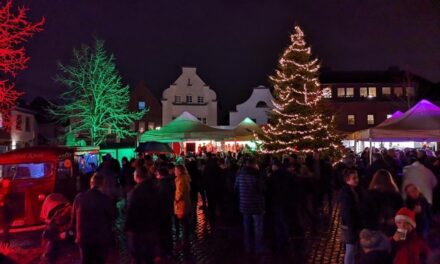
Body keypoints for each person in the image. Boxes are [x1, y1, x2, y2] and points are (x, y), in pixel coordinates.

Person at [71, 173, 116, 264]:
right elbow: (114, 215)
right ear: (102, 184)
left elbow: (73, 219)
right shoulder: (106, 199)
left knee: (86, 261)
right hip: (101, 238)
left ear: (90, 183)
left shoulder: (79, 198)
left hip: (84, 238)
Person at [125, 165, 160, 263]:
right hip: (152, 227)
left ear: (137, 176)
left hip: (140, 230)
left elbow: (131, 211)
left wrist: (128, 227)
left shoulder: (136, 192)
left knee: (139, 256)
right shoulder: (154, 187)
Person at [235, 158, 265, 255]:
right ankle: (258, 247)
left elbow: (235, 189)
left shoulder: (239, 176)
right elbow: (262, 189)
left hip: (244, 204)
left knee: (246, 227)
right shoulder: (256, 175)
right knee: (257, 227)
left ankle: (247, 247)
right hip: (256, 204)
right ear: (253, 165)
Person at [362, 169, 403, 236]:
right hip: (393, 229)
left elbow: (365, 214)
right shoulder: (395, 194)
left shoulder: (369, 195)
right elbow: (401, 210)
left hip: (375, 230)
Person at [339, 169, 362, 264]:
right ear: (347, 180)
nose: (357, 180)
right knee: (350, 249)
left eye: (357, 177)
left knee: (353, 249)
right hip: (350, 226)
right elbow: (347, 212)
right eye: (354, 178)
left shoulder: (353, 190)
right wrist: (352, 228)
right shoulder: (346, 193)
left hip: (353, 224)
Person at [155, 166, 175, 259]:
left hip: (162, 211)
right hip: (168, 210)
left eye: (157, 174)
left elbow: (159, 198)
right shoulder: (170, 182)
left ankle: (165, 252)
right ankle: (168, 251)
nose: (156, 175)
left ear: (161, 175)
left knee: (163, 232)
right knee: (168, 232)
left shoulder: (162, 185)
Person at [174, 164, 192, 251]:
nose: (174, 172)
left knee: (184, 224)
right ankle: (185, 240)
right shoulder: (185, 178)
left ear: (180, 171)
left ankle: (184, 242)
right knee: (185, 224)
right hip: (186, 203)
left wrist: (175, 199)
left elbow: (179, 193)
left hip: (182, 205)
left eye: (176, 170)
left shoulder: (181, 180)